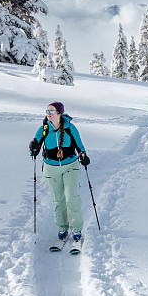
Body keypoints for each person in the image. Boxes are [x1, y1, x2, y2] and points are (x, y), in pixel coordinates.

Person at [29, 101, 90, 243]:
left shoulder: (70, 128)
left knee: (72, 198)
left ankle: (76, 229)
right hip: (51, 168)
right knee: (58, 200)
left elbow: (80, 146)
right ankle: (62, 228)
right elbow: (35, 145)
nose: (48, 114)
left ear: (59, 113)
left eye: (51, 111)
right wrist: (33, 147)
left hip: (71, 166)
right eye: (47, 111)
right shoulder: (44, 129)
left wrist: (83, 155)